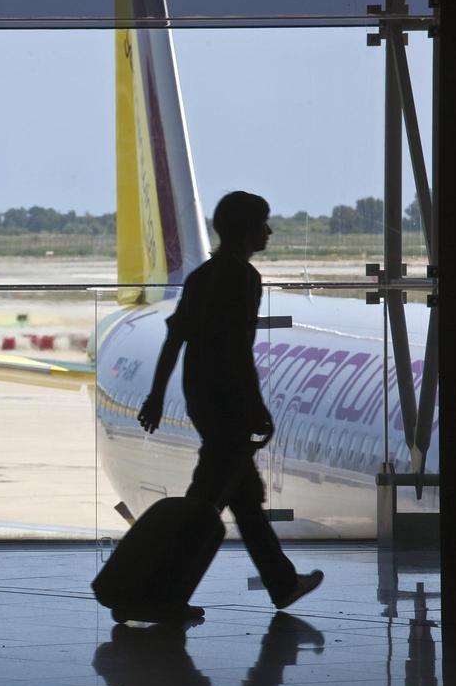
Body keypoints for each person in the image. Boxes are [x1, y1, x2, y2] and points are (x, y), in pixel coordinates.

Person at [137, 191, 322, 611]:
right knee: (203, 507)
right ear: (246, 230)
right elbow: (238, 352)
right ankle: (159, 591)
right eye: (263, 223)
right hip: (229, 406)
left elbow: (175, 337)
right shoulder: (243, 277)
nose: (269, 231)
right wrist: (257, 408)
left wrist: (156, 395)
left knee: (242, 499)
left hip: (202, 399)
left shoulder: (203, 275)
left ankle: (281, 582)